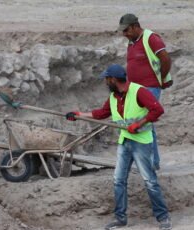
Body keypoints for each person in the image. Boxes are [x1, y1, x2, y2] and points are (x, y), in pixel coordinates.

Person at [66, 64, 172, 230]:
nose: (105, 83)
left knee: (150, 181)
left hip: (142, 143)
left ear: (113, 80)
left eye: (107, 79)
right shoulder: (114, 97)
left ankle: (163, 218)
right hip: (125, 142)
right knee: (118, 180)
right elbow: (101, 113)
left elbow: (157, 110)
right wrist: (79, 115)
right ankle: (120, 218)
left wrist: (139, 123)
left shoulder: (138, 91)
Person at [117, 13, 173, 171]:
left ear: (135, 26)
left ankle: (151, 161)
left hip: (150, 88)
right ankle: (150, 160)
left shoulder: (151, 38)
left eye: (127, 30)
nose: (124, 34)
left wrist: (161, 78)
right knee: (144, 124)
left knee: (144, 123)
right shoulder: (132, 42)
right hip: (136, 89)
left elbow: (165, 59)